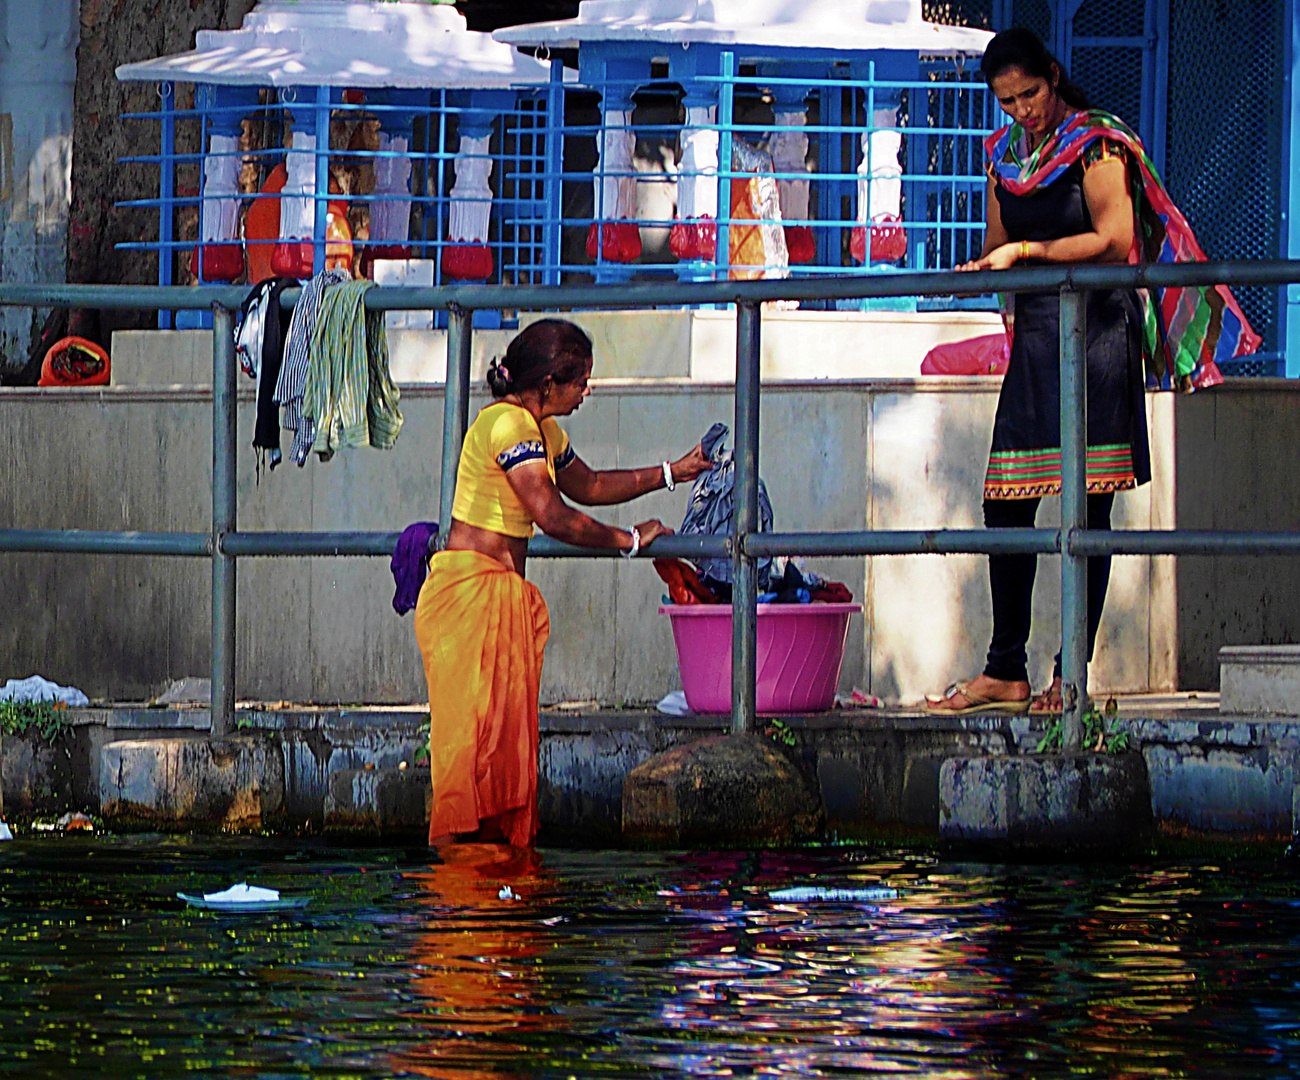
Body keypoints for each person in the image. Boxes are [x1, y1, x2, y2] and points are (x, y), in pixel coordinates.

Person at [927, 27, 1259, 716]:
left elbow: (1115, 239)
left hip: (1098, 334)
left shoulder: (1098, 141)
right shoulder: (1002, 155)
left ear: (1053, 77)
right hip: (1037, 340)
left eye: (1030, 94)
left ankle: (1069, 673)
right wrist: (998, 275)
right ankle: (1005, 669)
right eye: (1008, 101)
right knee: (1006, 502)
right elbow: (998, 249)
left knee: (1088, 506)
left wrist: (1026, 250)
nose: (1022, 111)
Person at [414, 318, 712, 847]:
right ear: (550, 382)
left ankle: (499, 903)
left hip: (499, 602)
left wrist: (674, 471)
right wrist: (630, 542)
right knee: (469, 762)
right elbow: (553, 515)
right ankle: (459, 908)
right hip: (468, 602)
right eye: (581, 381)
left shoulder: (544, 431)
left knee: (506, 761)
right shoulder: (507, 426)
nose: (587, 391)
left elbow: (590, 484)